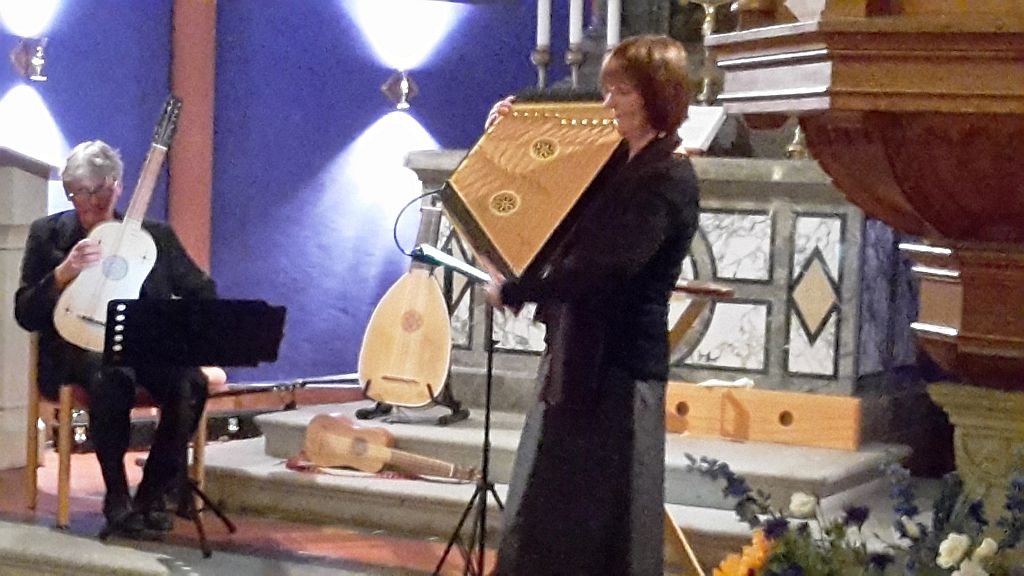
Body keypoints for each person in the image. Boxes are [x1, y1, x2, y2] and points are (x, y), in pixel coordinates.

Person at [483, 35, 700, 575]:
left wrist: (516, 291)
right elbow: (545, 176)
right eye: (608, 90)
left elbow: (604, 272)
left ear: (656, 95)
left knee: (605, 522)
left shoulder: (666, 176)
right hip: (578, 358)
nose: (608, 104)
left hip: (620, 371)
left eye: (622, 92)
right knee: (554, 514)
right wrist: (508, 126)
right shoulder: (617, 161)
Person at [15, 140, 218, 540]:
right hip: (74, 352)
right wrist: (63, 273)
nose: (89, 201)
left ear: (118, 186)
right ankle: (117, 498)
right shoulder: (48, 235)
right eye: (78, 191)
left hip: (144, 348)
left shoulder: (154, 236)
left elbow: (202, 291)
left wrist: (181, 326)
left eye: (99, 190)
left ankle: (152, 492)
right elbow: (25, 313)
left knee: (191, 383)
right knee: (111, 377)